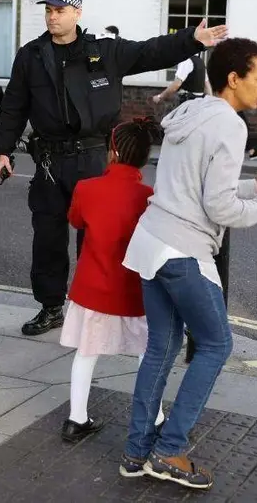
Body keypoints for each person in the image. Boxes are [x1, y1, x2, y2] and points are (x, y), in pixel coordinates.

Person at [0, 0, 228, 337]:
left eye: (59, 10)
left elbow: (150, 51)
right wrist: (3, 151)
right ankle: (51, 306)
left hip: (91, 158)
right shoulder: (31, 56)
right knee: (47, 237)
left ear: (77, 13)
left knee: (96, 238)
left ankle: (96, 307)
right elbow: (13, 106)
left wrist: (191, 39)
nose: (52, 15)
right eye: (49, 10)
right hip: (49, 161)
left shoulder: (103, 53)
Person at [119, 38, 257, 489]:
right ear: (234, 79)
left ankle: (136, 451)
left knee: (160, 348)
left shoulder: (191, 113)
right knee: (217, 345)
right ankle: (169, 450)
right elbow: (218, 210)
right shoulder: (231, 127)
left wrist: (251, 187)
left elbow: (193, 183)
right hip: (183, 250)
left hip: (151, 241)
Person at [60, 117, 166, 443]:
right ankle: (156, 417)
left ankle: (76, 419)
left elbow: (76, 220)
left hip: (92, 288)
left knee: (86, 353)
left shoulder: (86, 188)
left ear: (112, 151)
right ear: (145, 157)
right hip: (134, 291)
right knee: (147, 355)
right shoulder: (148, 196)